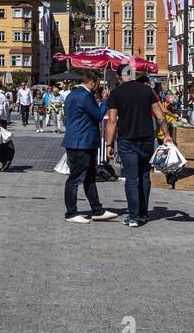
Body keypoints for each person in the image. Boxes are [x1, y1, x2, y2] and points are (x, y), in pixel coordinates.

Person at [104, 66, 174, 227]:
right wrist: (167, 135)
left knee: (131, 178)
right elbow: (160, 115)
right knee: (144, 176)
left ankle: (134, 216)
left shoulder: (116, 93)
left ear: (119, 76)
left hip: (127, 140)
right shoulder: (147, 90)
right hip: (147, 139)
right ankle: (143, 214)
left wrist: (109, 144)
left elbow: (112, 121)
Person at [60, 74, 118, 224]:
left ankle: (97, 210)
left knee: (89, 177)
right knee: (76, 178)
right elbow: (98, 115)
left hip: (78, 141)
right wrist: (105, 100)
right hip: (82, 142)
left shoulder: (72, 94)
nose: (97, 88)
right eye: (97, 85)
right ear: (92, 83)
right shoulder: (86, 96)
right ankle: (71, 212)